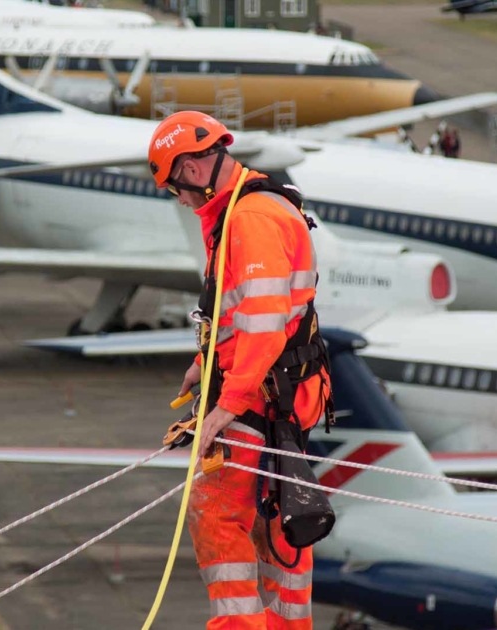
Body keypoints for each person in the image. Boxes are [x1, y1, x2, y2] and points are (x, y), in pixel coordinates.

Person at [148, 111, 334, 630]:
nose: (180, 201)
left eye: (174, 188)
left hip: (258, 399)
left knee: (219, 516)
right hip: (280, 395)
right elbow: (237, 314)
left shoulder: (250, 219)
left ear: (190, 168)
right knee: (278, 527)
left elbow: (263, 327)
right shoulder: (249, 205)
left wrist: (226, 405)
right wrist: (202, 363)